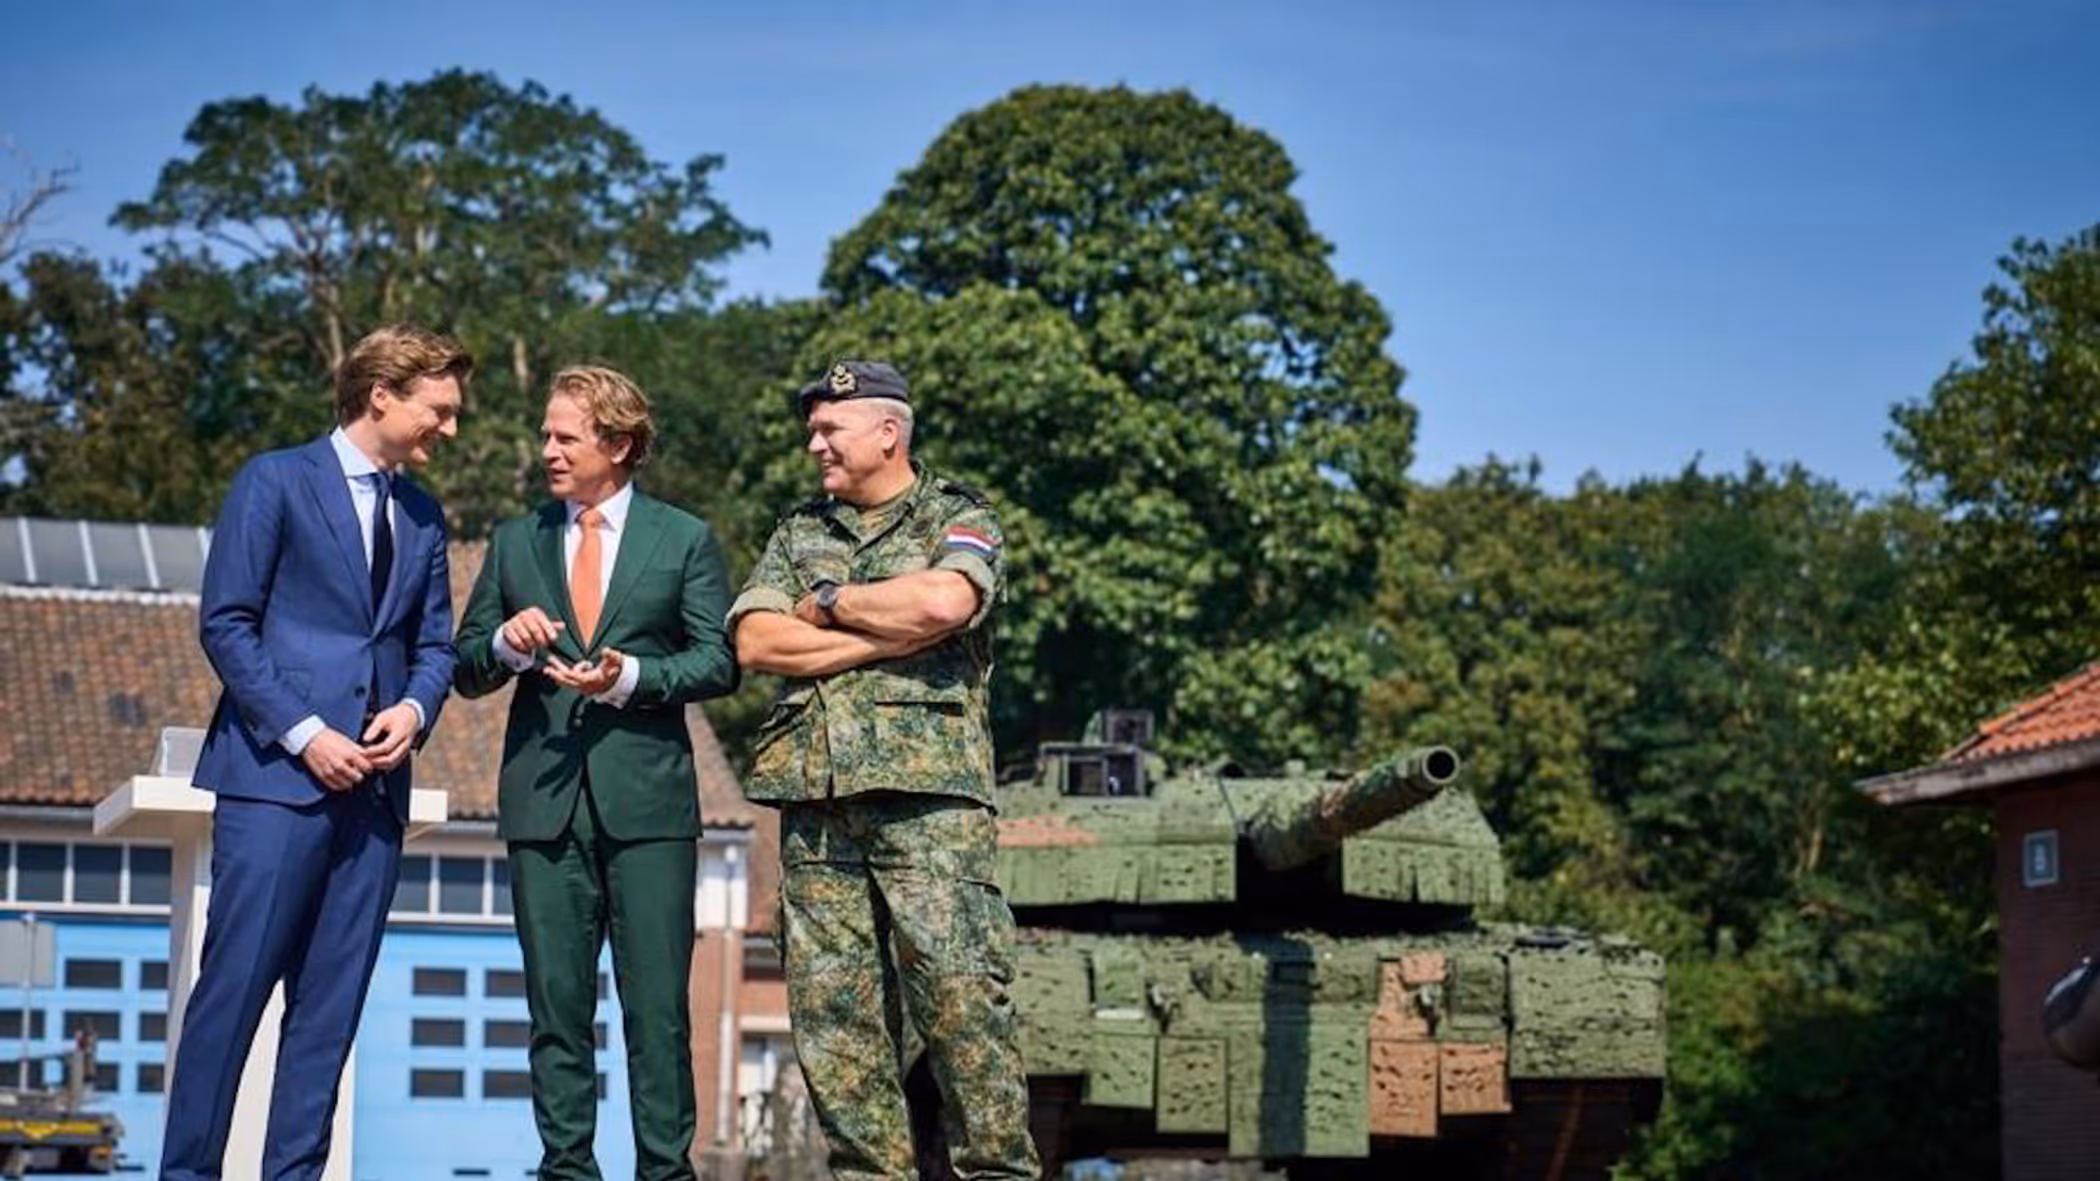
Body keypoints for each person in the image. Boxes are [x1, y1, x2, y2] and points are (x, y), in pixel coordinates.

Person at [165, 323, 470, 1180]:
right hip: (272, 787)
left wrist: (414, 709)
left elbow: (434, 646)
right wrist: (307, 733)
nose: (449, 429)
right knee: (230, 1005)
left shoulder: (421, 514)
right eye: (438, 410)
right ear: (383, 395)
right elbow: (226, 622)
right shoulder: (274, 481)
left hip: (373, 803)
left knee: (327, 1019)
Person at [729, 360, 1040, 1181]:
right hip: (818, 800)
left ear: (888, 432)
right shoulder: (800, 532)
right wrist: (885, 631)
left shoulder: (958, 515)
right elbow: (756, 641)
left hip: (930, 803)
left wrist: (828, 604)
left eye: (830, 428)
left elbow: (945, 604)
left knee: (962, 997)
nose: (814, 443)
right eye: (812, 429)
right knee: (835, 1018)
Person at [453, 366, 737, 1181]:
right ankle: (566, 1169)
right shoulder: (514, 541)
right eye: (546, 433)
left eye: (563, 435)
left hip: (650, 810)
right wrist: (505, 643)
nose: (546, 449)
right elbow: (466, 666)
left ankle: (664, 1171)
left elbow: (718, 660)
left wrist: (630, 678)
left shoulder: (682, 538)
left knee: (657, 1014)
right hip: (542, 809)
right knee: (556, 1014)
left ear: (616, 443)